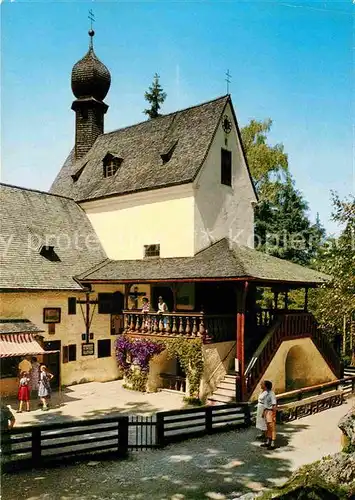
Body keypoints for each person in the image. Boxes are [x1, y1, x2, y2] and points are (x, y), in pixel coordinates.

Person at [260, 380, 277, 450]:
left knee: (272, 428)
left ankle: (273, 444)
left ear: (266, 386)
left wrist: (274, 415)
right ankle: (268, 441)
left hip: (270, 412)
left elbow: (274, 405)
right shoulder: (265, 393)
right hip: (266, 411)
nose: (261, 385)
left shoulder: (271, 394)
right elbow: (265, 405)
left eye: (262, 384)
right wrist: (263, 413)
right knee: (267, 428)